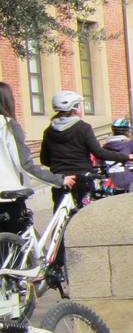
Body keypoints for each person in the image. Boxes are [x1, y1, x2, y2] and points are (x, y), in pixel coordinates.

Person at [40, 91, 133, 293]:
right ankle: (88, 261)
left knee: (60, 222)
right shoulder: (82, 128)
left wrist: (60, 165)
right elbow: (99, 152)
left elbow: (44, 159)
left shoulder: (49, 130)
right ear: (75, 108)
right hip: (82, 179)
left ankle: (56, 264)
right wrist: (125, 158)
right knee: (85, 219)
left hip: (61, 180)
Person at [0, 81, 72, 235]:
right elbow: (25, 164)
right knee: (19, 248)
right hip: (8, 196)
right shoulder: (7, 125)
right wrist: (59, 180)